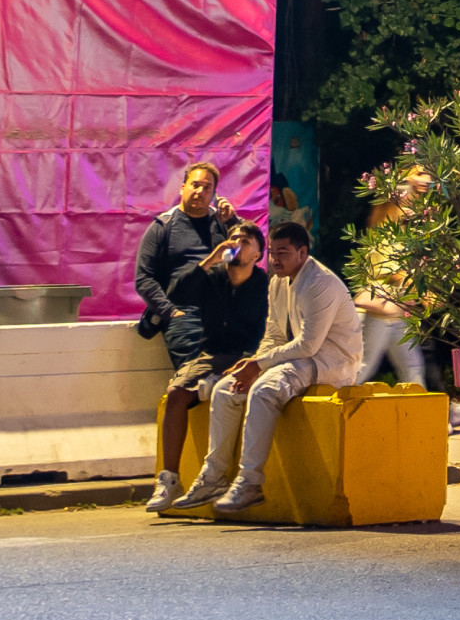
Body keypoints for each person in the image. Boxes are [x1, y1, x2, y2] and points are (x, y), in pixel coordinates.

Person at [160, 213, 363, 519]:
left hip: (329, 361)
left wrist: (259, 365)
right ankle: (212, 478)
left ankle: (250, 482)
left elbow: (309, 345)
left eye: (283, 252)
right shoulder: (278, 282)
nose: (276, 259)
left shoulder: (319, 283)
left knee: (265, 389)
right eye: (273, 252)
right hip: (296, 358)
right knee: (226, 390)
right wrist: (255, 362)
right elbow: (275, 334)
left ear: (302, 253)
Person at [146, 211, 272, 509]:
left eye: (246, 240)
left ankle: (212, 389)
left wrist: (252, 360)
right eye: (235, 238)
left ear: (258, 253)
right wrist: (210, 259)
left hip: (249, 357)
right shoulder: (213, 276)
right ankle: (168, 481)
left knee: (221, 386)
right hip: (211, 355)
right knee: (176, 394)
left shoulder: (266, 285)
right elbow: (176, 294)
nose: (238, 243)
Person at [131, 160, 236, 341]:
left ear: (213, 195)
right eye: (195, 185)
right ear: (182, 188)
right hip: (183, 320)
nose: (200, 192)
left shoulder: (222, 223)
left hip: (222, 316)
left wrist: (233, 223)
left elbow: (249, 257)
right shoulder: (162, 226)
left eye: (207, 188)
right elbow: (144, 279)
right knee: (196, 370)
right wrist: (171, 312)